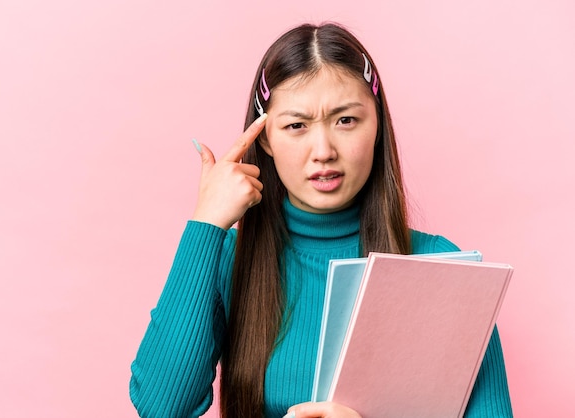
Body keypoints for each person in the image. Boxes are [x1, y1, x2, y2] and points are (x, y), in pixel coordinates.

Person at [129, 22, 513, 418]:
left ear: (377, 124)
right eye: (296, 126)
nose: (323, 150)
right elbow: (161, 408)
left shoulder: (440, 268)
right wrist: (206, 225)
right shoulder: (228, 260)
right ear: (265, 139)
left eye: (346, 120)